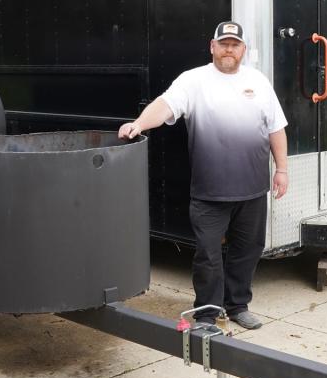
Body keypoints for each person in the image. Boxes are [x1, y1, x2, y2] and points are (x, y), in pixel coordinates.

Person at [118, 21, 288, 330]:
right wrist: (139, 124)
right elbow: (165, 106)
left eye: (234, 44)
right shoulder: (193, 80)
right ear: (212, 46)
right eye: (223, 43)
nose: (228, 49)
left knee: (247, 251)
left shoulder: (259, 82)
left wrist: (283, 170)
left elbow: (276, 127)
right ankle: (208, 313)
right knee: (208, 256)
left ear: (243, 50)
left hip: (252, 190)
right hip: (209, 192)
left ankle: (238, 306)